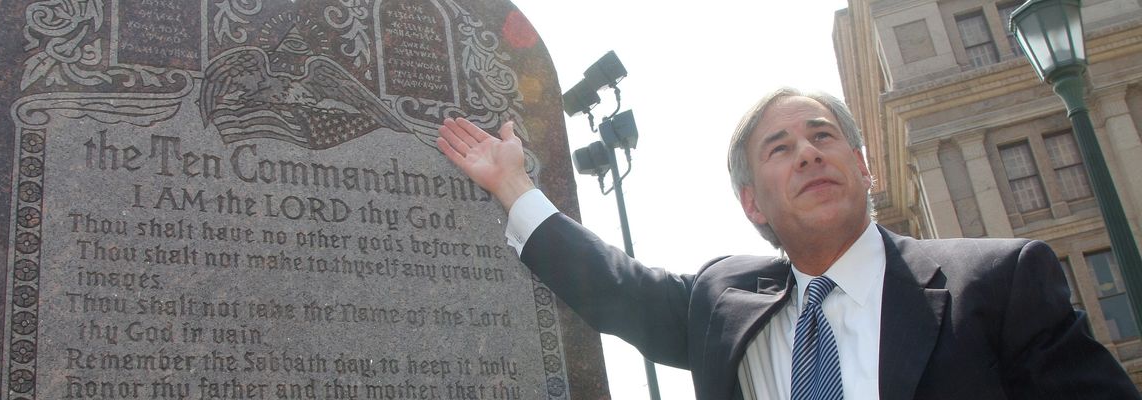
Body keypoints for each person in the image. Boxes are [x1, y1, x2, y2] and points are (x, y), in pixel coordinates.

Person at [436, 87, 1139, 399]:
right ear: (752, 204)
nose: (808, 153)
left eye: (824, 136)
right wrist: (514, 186)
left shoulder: (997, 282)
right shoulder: (723, 303)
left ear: (866, 169)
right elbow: (615, 287)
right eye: (781, 148)